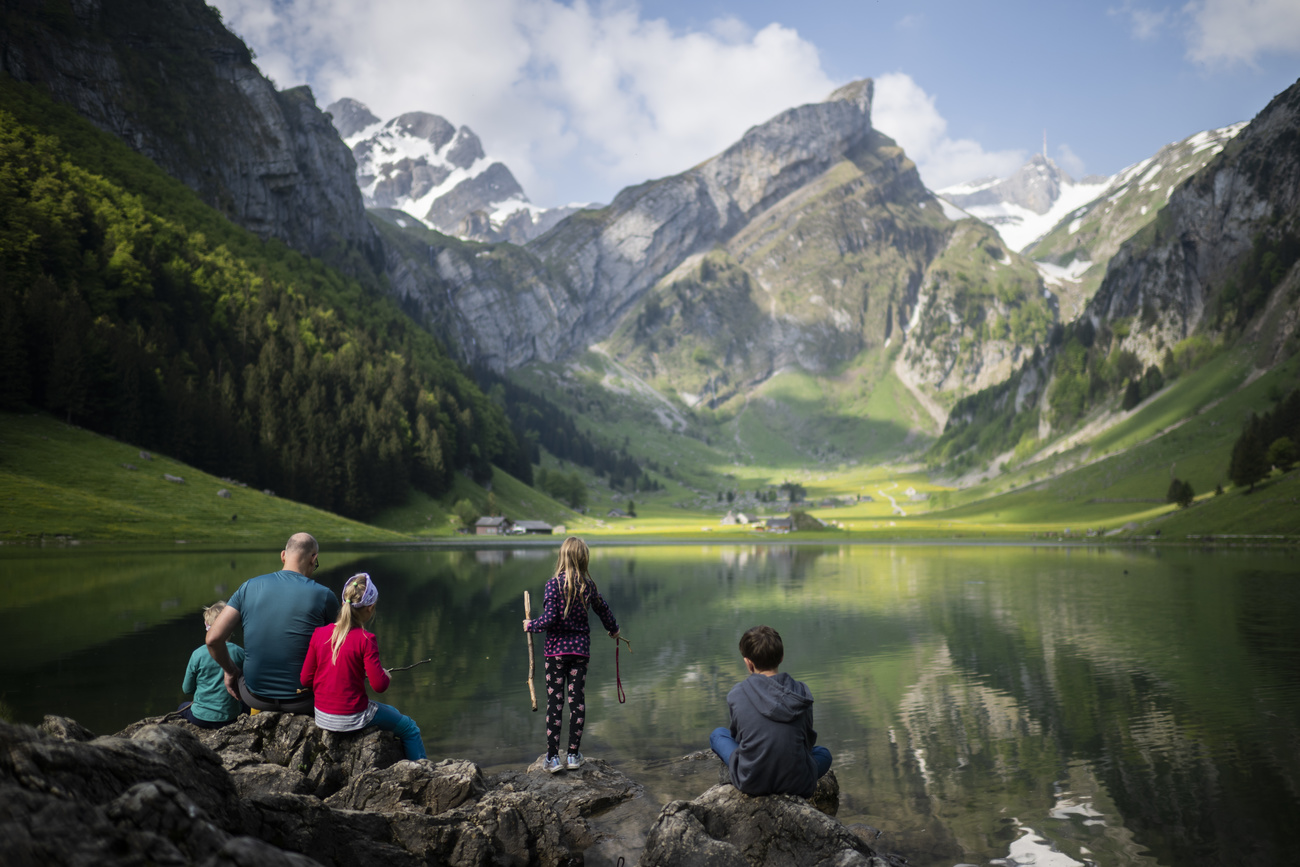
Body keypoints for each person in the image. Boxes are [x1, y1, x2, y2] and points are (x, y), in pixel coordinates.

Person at [206, 532, 338, 713]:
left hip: (255, 697)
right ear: (313, 558)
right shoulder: (323, 595)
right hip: (305, 699)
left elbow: (213, 638)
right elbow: (345, 643)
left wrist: (230, 671)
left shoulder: (248, 587)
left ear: (283, 555)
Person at [300, 572, 426, 760]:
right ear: (371, 608)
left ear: (343, 603)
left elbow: (305, 679)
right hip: (352, 717)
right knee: (409, 727)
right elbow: (379, 686)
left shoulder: (319, 633)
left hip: (322, 716)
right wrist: (385, 676)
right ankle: (422, 771)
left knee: (392, 712)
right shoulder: (366, 639)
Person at [522, 536, 620, 774]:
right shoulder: (588, 585)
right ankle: (574, 755)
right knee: (577, 702)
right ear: (583, 558)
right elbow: (602, 608)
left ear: (563, 556)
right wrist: (613, 629)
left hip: (555, 654)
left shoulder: (553, 584)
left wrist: (530, 624)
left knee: (555, 703)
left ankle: (553, 758)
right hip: (580, 653)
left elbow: (550, 619)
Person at [710, 625, 832, 798]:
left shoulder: (737, 694)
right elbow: (808, 741)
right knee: (824, 754)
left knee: (717, 735)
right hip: (798, 783)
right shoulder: (801, 692)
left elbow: (739, 738)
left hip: (751, 781)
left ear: (748, 662)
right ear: (781, 657)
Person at [179, 601, 245, 728]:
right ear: (230, 627)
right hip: (231, 717)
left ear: (206, 625)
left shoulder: (197, 654)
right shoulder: (239, 652)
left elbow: (187, 689)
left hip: (200, 718)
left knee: (182, 707)